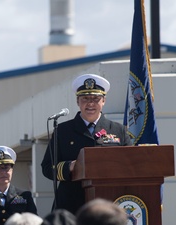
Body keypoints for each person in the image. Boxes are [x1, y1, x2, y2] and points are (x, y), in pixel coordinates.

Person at [41, 74, 132, 214]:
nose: (90, 103)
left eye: (96, 99)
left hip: (109, 204)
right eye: (85, 99)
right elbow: (47, 167)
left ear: (104, 101)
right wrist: (69, 166)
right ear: (78, 101)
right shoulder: (63, 131)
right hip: (72, 205)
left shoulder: (118, 130)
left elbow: (130, 165)